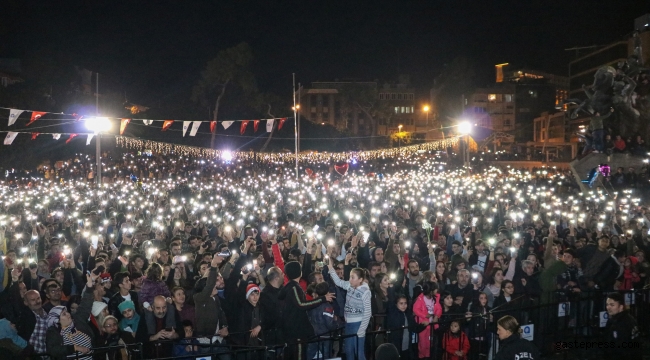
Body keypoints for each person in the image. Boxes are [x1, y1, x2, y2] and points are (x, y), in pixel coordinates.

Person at [280, 260, 334, 360]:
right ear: (298, 272)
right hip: (296, 330)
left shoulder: (290, 286)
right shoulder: (294, 287)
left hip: (292, 328)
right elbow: (301, 304)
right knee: (299, 355)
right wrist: (322, 299)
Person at [45, 273, 96, 360]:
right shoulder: (53, 332)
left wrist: (89, 287)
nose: (68, 314)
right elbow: (53, 350)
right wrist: (75, 348)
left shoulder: (77, 320)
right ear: (57, 320)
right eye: (64, 314)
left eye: (67, 312)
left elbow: (85, 306)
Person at [327, 259, 371, 360]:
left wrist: (362, 329)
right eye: (350, 277)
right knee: (349, 351)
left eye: (352, 277)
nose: (350, 279)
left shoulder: (365, 292)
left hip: (358, 324)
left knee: (359, 353)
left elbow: (368, 312)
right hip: (348, 324)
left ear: (360, 280)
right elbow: (338, 282)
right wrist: (330, 268)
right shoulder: (350, 286)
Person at [603, 293, 641, 359]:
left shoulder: (622, 323)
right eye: (607, 304)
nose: (608, 307)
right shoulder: (627, 318)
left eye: (612, 305)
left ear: (621, 307)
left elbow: (620, 348)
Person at [412, 281, 442, 359]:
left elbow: (439, 308)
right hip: (423, 324)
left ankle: (428, 356)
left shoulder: (435, 298)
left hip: (432, 324)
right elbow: (415, 309)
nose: (437, 291)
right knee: (422, 343)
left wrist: (437, 316)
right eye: (435, 289)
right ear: (431, 291)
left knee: (429, 343)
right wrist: (425, 315)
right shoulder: (421, 299)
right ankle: (422, 356)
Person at [386, 295, 415, 360]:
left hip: (407, 344)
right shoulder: (394, 314)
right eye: (401, 303)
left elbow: (413, 326)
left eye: (405, 303)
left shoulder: (408, 314)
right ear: (396, 304)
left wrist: (422, 325)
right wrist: (391, 290)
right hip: (397, 344)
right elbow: (390, 305)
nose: (403, 305)